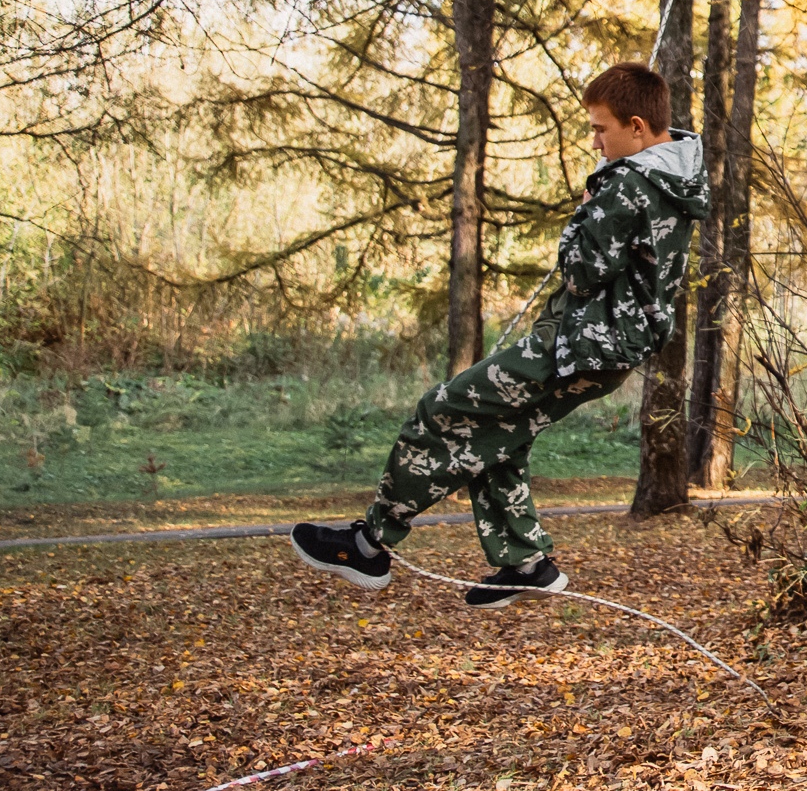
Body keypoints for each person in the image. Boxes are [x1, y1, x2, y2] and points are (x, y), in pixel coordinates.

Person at [292, 64, 709, 607]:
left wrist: (581, 217)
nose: (595, 140)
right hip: (607, 349)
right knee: (497, 434)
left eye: (600, 129)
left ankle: (369, 543)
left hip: (582, 345)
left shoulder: (630, 182)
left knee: (440, 409)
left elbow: (582, 270)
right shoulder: (678, 173)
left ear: (636, 126)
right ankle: (524, 563)